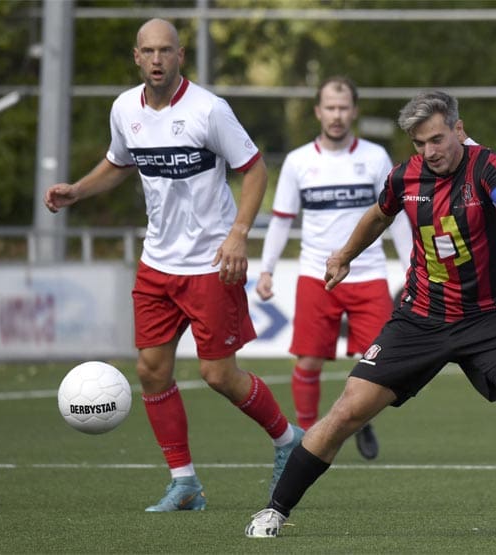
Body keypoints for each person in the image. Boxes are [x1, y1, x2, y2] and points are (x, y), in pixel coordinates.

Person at [245, 90, 496, 541]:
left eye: (437, 139)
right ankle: (274, 511)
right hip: (418, 319)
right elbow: (377, 217)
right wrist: (343, 255)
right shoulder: (404, 177)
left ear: (458, 129)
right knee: (345, 412)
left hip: (484, 320)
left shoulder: (487, 165)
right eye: (420, 144)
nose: (430, 152)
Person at [43, 18, 302, 511]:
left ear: (181, 56)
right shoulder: (125, 109)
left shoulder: (209, 110)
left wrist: (238, 236)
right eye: (149, 51)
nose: (157, 59)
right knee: (151, 370)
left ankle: (287, 439)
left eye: (166, 50)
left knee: (218, 375)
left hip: (210, 265)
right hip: (157, 263)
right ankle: (184, 482)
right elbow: (120, 162)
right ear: (137, 57)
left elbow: (254, 168)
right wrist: (78, 189)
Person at [255, 76, 412, 460]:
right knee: (307, 360)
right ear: (318, 112)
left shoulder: (375, 158)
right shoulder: (299, 162)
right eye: (330, 107)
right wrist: (266, 269)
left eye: (343, 107)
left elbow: (397, 218)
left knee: (376, 364)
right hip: (317, 274)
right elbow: (281, 219)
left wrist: (413, 268)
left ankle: (359, 419)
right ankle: (306, 439)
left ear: (353, 111)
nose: (337, 115)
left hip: (368, 272)